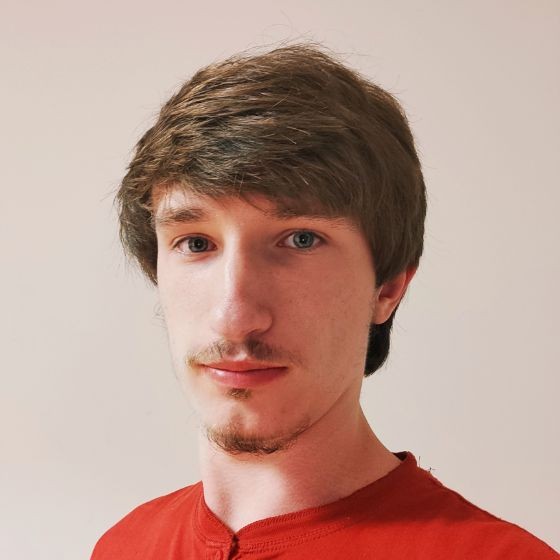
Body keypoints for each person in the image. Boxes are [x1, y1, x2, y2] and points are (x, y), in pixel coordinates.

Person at [90, 43, 558, 559]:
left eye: (300, 239)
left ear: (387, 286)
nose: (234, 317)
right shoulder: (124, 546)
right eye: (196, 243)